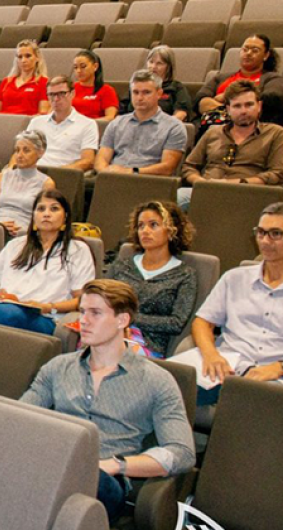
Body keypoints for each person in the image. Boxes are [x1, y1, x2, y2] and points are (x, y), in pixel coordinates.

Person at [21, 279, 195, 523]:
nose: (83, 320)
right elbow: (20, 416)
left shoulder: (156, 380)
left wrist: (116, 465)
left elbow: (182, 452)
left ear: (122, 320)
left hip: (104, 481)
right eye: (82, 311)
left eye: (96, 313)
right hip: (52, 464)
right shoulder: (58, 367)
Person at [169, 202, 283, 405]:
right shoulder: (235, 278)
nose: (265, 241)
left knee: (250, 406)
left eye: (276, 233)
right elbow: (203, 322)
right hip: (227, 364)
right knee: (163, 384)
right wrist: (211, 354)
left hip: (274, 376)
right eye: (261, 232)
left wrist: (279, 367)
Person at [0, 190, 94, 335]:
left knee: (11, 314)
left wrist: (47, 307)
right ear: (33, 216)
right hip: (3, 308)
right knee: (3, 312)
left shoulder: (78, 250)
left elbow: (81, 300)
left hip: (44, 317)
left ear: (65, 217)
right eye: (41, 209)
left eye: (54, 209)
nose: (46, 214)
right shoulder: (16, 244)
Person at [107, 201, 198, 356]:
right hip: (111, 332)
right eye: (141, 226)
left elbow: (176, 322)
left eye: (153, 225)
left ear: (171, 231)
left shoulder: (184, 274)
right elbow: (103, 300)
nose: (145, 231)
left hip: (150, 344)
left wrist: (130, 319)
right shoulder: (122, 266)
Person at [179, 80, 283, 210]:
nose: (243, 111)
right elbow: (189, 166)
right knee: (177, 198)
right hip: (208, 190)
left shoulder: (275, 133)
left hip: (250, 193)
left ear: (259, 106)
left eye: (249, 105)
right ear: (228, 109)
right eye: (237, 106)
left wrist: (237, 183)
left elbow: (277, 174)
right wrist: (200, 182)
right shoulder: (213, 132)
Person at [95, 70, 187, 176]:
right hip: (112, 179)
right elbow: (101, 159)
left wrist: (131, 172)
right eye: (135, 92)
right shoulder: (116, 123)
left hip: (148, 182)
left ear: (159, 94)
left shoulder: (173, 127)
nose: (140, 98)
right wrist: (105, 171)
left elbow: (167, 167)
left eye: (146, 92)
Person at [0, 130, 56, 238]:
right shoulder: (3, 176)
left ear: (40, 153)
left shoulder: (46, 183)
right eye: (17, 150)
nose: (20, 155)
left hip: (24, 234)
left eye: (26, 150)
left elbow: (44, 218)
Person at [195, 34, 283, 119]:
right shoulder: (221, 78)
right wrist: (236, 111)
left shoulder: (274, 79)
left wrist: (227, 96)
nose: (248, 53)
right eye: (245, 49)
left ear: (266, 55)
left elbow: (270, 100)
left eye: (255, 50)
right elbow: (201, 101)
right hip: (215, 127)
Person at [26, 76, 99, 171]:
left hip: (63, 175)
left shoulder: (88, 124)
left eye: (61, 94)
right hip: (32, 173)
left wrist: (57, 173)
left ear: (72, 94)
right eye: (51, 94)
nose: (56, 99)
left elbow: (88, 161)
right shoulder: (36, 122)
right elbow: (21, 153)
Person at [120, 46, 192, 122]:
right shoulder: (138, 85)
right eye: (151, 62)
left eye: (159, 63)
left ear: (169, 67)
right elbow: (122, 110)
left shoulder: (177, 87)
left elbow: (181, 114)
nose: (153, 67)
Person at [0, 40, 49, 116]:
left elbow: (43, 112)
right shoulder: (6, 82)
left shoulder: (43, 82)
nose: (23, 60)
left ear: (37, 58)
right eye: (20, 57)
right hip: (3, 122)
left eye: (28, 56)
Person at [71, 50, 118, 120]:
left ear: (95, 66)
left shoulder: (107, 90)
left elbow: (110, 117)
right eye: (75, 67)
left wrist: (88, 124)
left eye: (83, 66)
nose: (79, 71)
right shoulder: (70, 88)